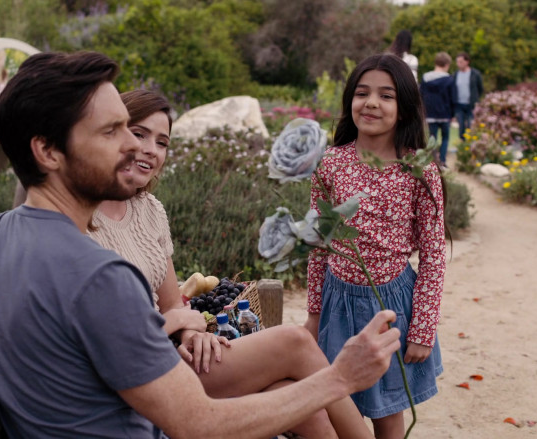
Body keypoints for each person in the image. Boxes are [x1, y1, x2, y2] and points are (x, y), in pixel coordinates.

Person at [0, 50, 400, 438]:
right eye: (112, 132)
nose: (134, 146)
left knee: (285, 390)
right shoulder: (100, 276)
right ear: (48, 152)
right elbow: (198, 425)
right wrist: (340, 378)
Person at [90, 89, 373, 438]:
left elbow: (170, 304)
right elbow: (116, 334)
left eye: (162, 142)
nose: (151, 149)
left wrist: (194, 333)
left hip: (174, 358)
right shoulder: (81, 220)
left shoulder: (149, 211)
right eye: (139, 134)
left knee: (300, 407)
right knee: (295, 342)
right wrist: (177, 321)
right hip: (140, 376)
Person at [303, 53, 446, 439]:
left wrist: (423, 328)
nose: (371, 103)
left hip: (391, 308)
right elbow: (319, 243)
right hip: (338, 301)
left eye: (386, 95)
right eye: (362, 93)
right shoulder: (331, 163)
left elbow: (434, 254)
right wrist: (315, 313)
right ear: (350, 99)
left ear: (404, 108)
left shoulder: (418, 169)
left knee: (387, 411)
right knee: (336, 403)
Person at [420, 52, 455, 166]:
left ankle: (433, 161)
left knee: (432, 138)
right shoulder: (449, 80)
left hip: (430, 113)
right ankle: (443, 161)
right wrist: (453, 114)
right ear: (446, 65)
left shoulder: (425, 78)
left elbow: (421, 95)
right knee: (445, 138)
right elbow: (452, 97)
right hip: (445, 113)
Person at [452, 52, 484, 141]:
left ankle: (470, 146)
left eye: (461, 62)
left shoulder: (475, 74)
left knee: (471, 126)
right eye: (457, 62)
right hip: (459, 105)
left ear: (467, 62)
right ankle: (463, 145)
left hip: (471, 105)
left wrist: (476, 99)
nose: (459, 64)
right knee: (461, 127)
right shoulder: (455, 75)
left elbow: (480, 89)